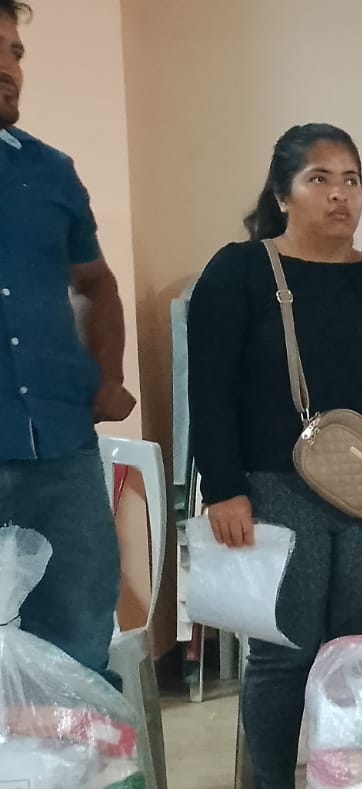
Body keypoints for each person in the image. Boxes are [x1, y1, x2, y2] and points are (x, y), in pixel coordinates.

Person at [188, 124, 362, 789]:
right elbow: (210, 388)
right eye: (319, 178)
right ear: (282, 193)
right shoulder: (239, 272)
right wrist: (224, 488)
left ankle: (345, 787)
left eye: (351, 179)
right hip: (271, 490)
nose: (339, 195)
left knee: (359, 651)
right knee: (284, 650)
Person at [0, 0, 136, 678]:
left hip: (59, 449)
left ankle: (76, 751)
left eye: (15, 52)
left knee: (79, 639)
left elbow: (94, 283)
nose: (10, 67)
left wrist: (107, 374)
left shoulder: (49, 171)